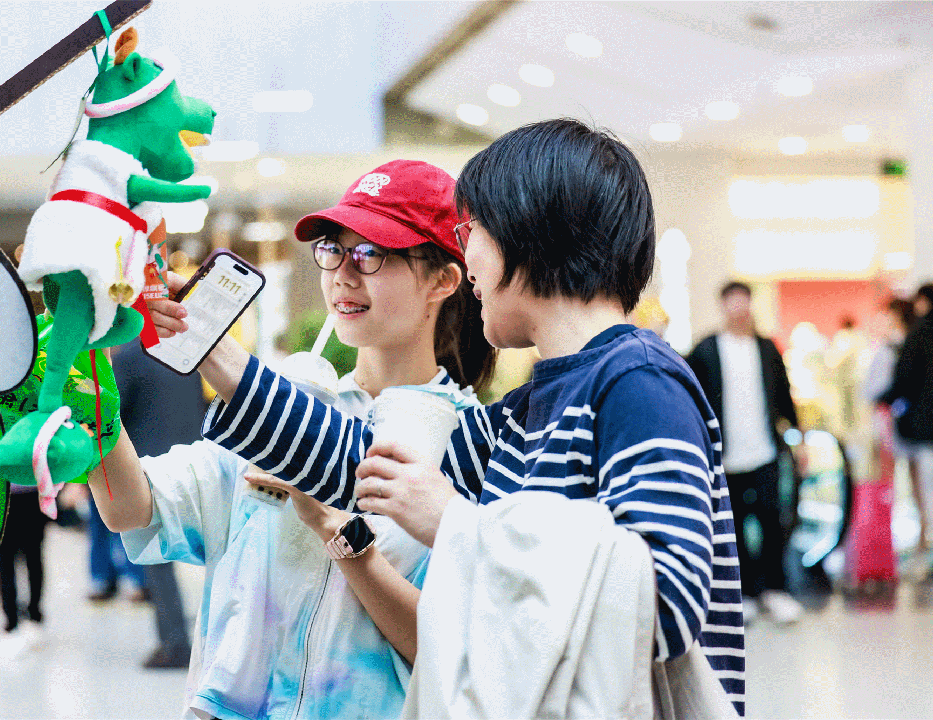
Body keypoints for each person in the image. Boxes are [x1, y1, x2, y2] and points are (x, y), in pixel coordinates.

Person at [186, 120, 746, 716]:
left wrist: (456, 523)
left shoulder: (639, 384)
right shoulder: (528, 409)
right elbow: (365, 465)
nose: (465, 255)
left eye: (471, 230)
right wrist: (207, 342)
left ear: (529, 231)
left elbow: (664, 605)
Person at [88, 160, 496, 719]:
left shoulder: (470, 444)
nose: (343, 275)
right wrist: (91, 398)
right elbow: (131, 509)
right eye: (333, 250)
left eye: (371, 254)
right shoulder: (286, 405)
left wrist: (340, 534)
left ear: (443, 280)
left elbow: (454, 654)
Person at [686, 280, 803, 626]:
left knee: (772, 521)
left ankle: (775, 590)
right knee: (733, 527)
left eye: (744, 302)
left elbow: (784, 397)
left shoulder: (766, 348)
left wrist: (799, 440)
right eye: (733, 302)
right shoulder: (707, 349)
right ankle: (745, 593)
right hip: (726, 457)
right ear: (723, 306)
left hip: (765, 452)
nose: (739, 309)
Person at [111, 339, 208, 669]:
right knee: (215, 553)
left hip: (151, 469)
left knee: (159, 561)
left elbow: (112, 415)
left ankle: (174, 642)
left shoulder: (128, 357)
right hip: (195, 463)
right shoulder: (183, 353)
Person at [879, 283, 933, 556]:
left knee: (928, 491)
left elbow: (906, 379)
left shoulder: (919, 334)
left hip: (925, 430)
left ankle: (930, 547)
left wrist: (884, 399)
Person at [0, 484, 48, 657]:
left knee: (31, 557)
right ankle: (13, 619)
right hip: (5, 493)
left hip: (30, 493)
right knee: (8, 560)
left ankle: (31, 615)